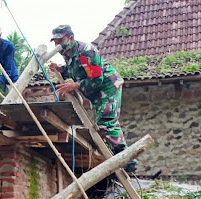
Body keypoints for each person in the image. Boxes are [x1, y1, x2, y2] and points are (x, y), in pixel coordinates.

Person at [49, 24, 137, 173]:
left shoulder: (86, 51)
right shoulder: (67, 53)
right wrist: (61, 69)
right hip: (95, 91)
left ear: (71, 38)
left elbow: (97, 79)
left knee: (106, 120)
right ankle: (116, 155)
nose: (57, 44)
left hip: (107, 86)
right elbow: (77, 70)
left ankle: (127, 159)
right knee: (101, 125)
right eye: (55, 41)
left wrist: (75, 85)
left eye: (60, 40)